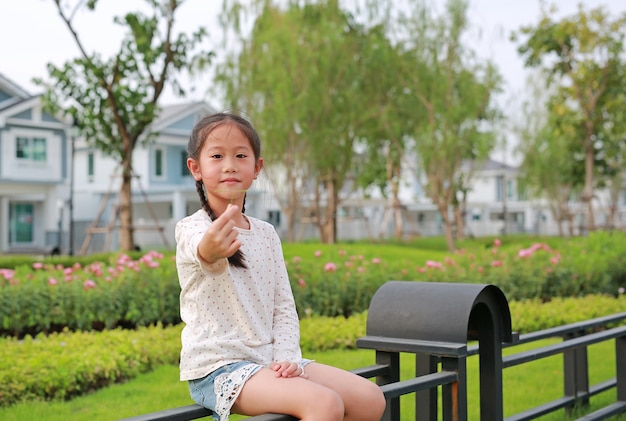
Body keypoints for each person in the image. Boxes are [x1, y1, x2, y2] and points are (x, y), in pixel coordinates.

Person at [175, 111, 386, 421]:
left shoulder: (266, 234)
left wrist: (287, 357)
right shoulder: (192, 228)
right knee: (324, 405)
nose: (230, 164)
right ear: (196, 168)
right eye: (217, 156)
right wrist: (212, 247)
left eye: (240, 155)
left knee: (370, 398)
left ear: (256, 167)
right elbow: (204, 252)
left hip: (270, 359)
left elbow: (283, 306)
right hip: (219, 366)